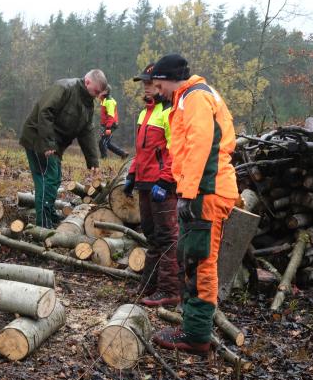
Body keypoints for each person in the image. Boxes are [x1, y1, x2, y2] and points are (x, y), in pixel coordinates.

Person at [149, 54, 238, 356]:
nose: (155, 89)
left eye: (157, 83)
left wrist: (187, 193)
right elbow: (186, 149)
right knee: (192, 257)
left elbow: (201, 145)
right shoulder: (189, 97)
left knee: (200, 261)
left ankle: (196, 335)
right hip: (202, 190)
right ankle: (191, 324)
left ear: (166, 78)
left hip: (207, 192)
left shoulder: (196, 98)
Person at [123, 63, 181, 307]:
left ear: (159, 84)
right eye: (144, 84)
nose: (146, 88)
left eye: (149, 83)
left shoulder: (169, 112)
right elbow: (141, 152)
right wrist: (131, 175)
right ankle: (149, 285)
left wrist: (166, 180)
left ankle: (170, 289)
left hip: (162, 185)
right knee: (151, 235)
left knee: (167, 237)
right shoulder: (144, 113)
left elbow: (174, 151)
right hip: (145, 183)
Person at [18, 69, 105, 229]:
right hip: (38, 138)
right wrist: (49, 143)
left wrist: (93, 160)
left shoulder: (88, 103)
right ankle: (43, 225)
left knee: (55, 178)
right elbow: (45, 112)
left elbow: (87, 131)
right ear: (87, 82)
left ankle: (49, 213)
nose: (98, 96)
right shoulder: (64, 88)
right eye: (97, 91)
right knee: (48, 179)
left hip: (54, 144)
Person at [98, 89, 127, 158]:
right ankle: (123, 154)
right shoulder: (104, 100)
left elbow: (111, 116)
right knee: (107, 143)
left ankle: (104, 160)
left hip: (111, 125)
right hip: (108, 125)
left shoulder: (109, 102)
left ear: (104, 92)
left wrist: (108, 128)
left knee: (102, 142)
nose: (97, 92)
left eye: (99, 91)